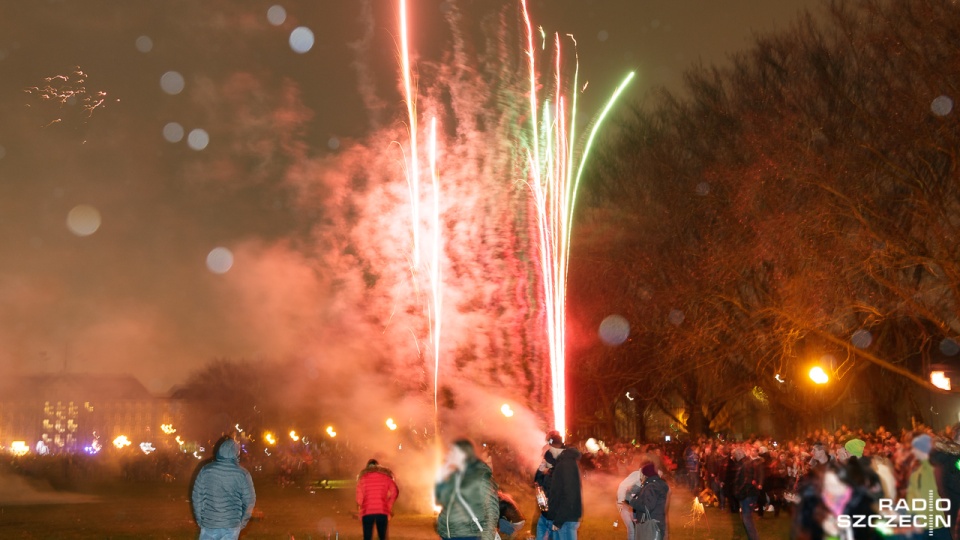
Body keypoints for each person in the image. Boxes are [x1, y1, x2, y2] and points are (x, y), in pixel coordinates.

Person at [190, 437, 256, 540]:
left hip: (209, 523)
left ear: (220, 451)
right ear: (236, 453)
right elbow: (250, 500)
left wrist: (200, 520)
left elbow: (197, 497)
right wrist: (241, 523)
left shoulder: (206, 470)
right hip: (231, 525)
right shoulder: (243, 474)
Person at [435, 438, 500, 540]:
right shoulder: (454, 476)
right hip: (448, 535)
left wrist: (487, 536)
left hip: (469, 535)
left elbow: (492, 509)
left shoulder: (481, 477)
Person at [547, 434, 584, 539]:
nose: (549, 451)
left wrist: (559, 520)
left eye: (550, 448)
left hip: (565, 519)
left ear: (554, 446)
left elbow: (570, 494)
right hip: (563, 518)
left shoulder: (566, 464)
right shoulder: (563, 462)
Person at [356, 458, 399, 540]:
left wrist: (362, 507)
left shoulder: (362, 479)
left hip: (367, 511)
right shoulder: (386, 477)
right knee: (382, 537)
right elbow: (395, 492)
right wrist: (388, 506)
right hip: (382, 511)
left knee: (367, 537)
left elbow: (359, 499)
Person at [534, 430, 565, 539]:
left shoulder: (562, 465)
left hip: (554, 514)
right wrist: (541, 469)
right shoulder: (548, 465)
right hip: (545, 512)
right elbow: (537, 481)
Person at [628, 463, 670, 540]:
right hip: (658, 521)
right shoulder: (659, 484)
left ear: (645, 475)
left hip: (651, 525)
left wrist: (632, 501)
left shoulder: (651, 487)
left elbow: (647, 507)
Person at [617, 461, 644, 540]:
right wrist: (620, 500)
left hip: (634, 505)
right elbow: (622, 486)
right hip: (624, 503)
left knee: (636, 526)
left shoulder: (647, 478)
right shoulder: (636, 475)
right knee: (631, 527)